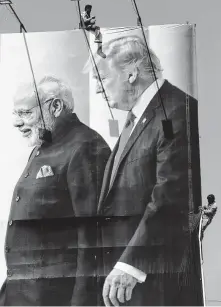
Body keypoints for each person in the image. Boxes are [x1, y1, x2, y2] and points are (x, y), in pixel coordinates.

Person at [91, 35, 203, 306]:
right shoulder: (138, 117)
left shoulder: (176, 111)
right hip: (126, 282)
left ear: (131, 74)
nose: (97, 90)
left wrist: (131, 264)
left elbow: (171, 197)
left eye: (102, 79)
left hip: (154, 284)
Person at [0, 76, 111, 306]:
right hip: (23, 295)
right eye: (16, 113)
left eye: (25, 113)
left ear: (56, 106)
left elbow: (93, 236)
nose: (16, 122)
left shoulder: (85, 146)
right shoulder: (45, 145)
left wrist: (83, 301)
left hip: (55, 298)